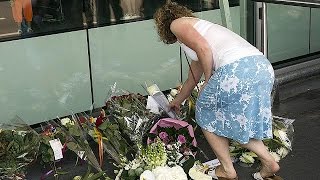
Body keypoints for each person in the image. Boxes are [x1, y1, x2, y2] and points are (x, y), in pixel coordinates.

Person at [154, 2, 282, 180]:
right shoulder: (203, 29)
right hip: (260, 67)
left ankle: (227, 170)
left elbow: (203, 49)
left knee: (205, 114)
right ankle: (269, 162)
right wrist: (177, 101)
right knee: (240, 121)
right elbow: (193, 76)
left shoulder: (177, 24)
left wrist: (208, 80)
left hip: (236, 69)